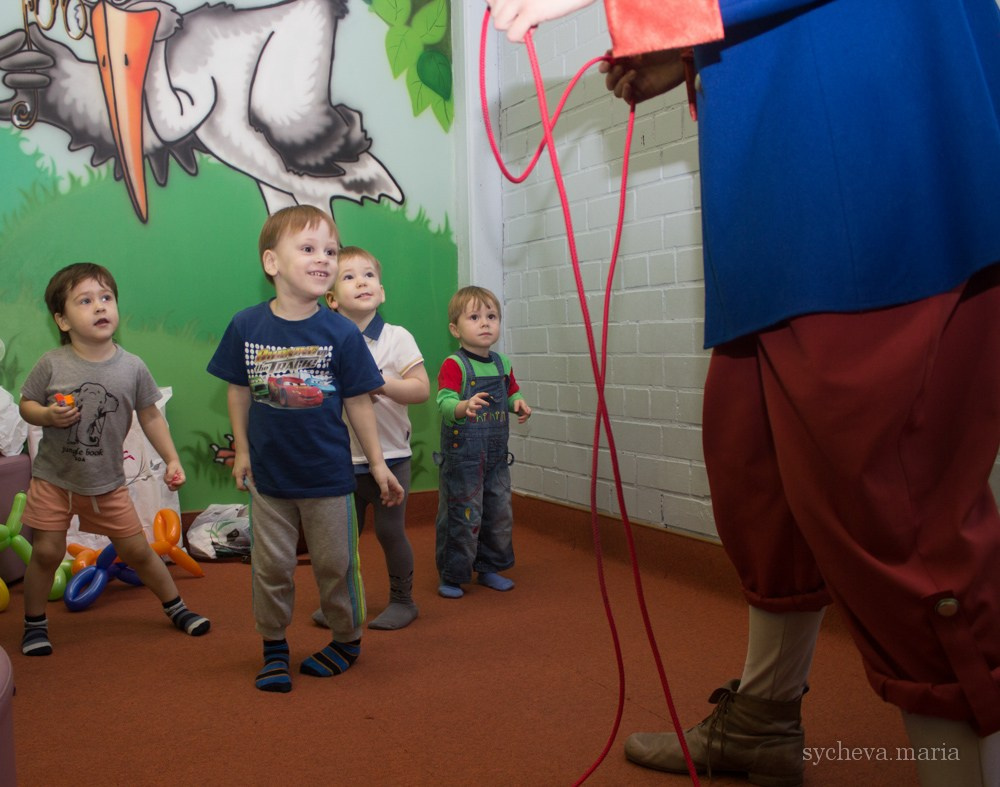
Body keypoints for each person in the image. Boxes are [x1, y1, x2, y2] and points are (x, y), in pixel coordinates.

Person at [487, 1, 1000, 786]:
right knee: (756, 472)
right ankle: (763, 717)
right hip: (781, 173)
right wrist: (689, 51)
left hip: (874, 154)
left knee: (899, 519)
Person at [206, 205, 404, 693]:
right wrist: (245, 450)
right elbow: (237, 389)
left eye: (330, 251)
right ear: (272, 263)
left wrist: (377, 464)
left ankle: (346, 639)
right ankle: (274, 646)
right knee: (270, 567)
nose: (324, 259)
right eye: (309, 249)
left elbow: (359, 401)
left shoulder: (341, 332)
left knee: (336, 566)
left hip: (328, 476)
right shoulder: (247, 325)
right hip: (270, 479)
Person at [18, 262, 210, 656]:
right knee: (47, 553)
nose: (99, 307)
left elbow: (151, 415)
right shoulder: (52, 363)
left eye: (106, 298)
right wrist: (46, 415)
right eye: (85, 301)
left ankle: (177, 607)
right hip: (55, 479)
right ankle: (34, 623)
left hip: (106, 483)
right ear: (62, 319)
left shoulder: (132, 366)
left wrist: (172, 460)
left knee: (138, 550)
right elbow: (26, 405)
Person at [308, 245, 429, 630]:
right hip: (341, 461)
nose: (362, 281)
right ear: (331, 298)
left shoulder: (397, 338)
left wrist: (383, 384)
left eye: (369, 275)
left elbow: (421, 389)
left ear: (382, 290)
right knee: (342, 540)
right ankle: (341, 603)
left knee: (391, 532)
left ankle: (403, 600)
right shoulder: (325, 340)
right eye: (349, 276)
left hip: (392, 457)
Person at [434, 286, 532, 599]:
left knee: (498, 513)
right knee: (463, 514)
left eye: (491, 316)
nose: (485, 323)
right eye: (474, 317)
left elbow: (511, 392)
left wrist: (517, 403)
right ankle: (453, 574)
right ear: (456, 329)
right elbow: (444, 402)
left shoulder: (502, 363)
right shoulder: (455, 365)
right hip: (463, 459)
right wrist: (464, 406)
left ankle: (489, 567)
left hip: (495, 457)